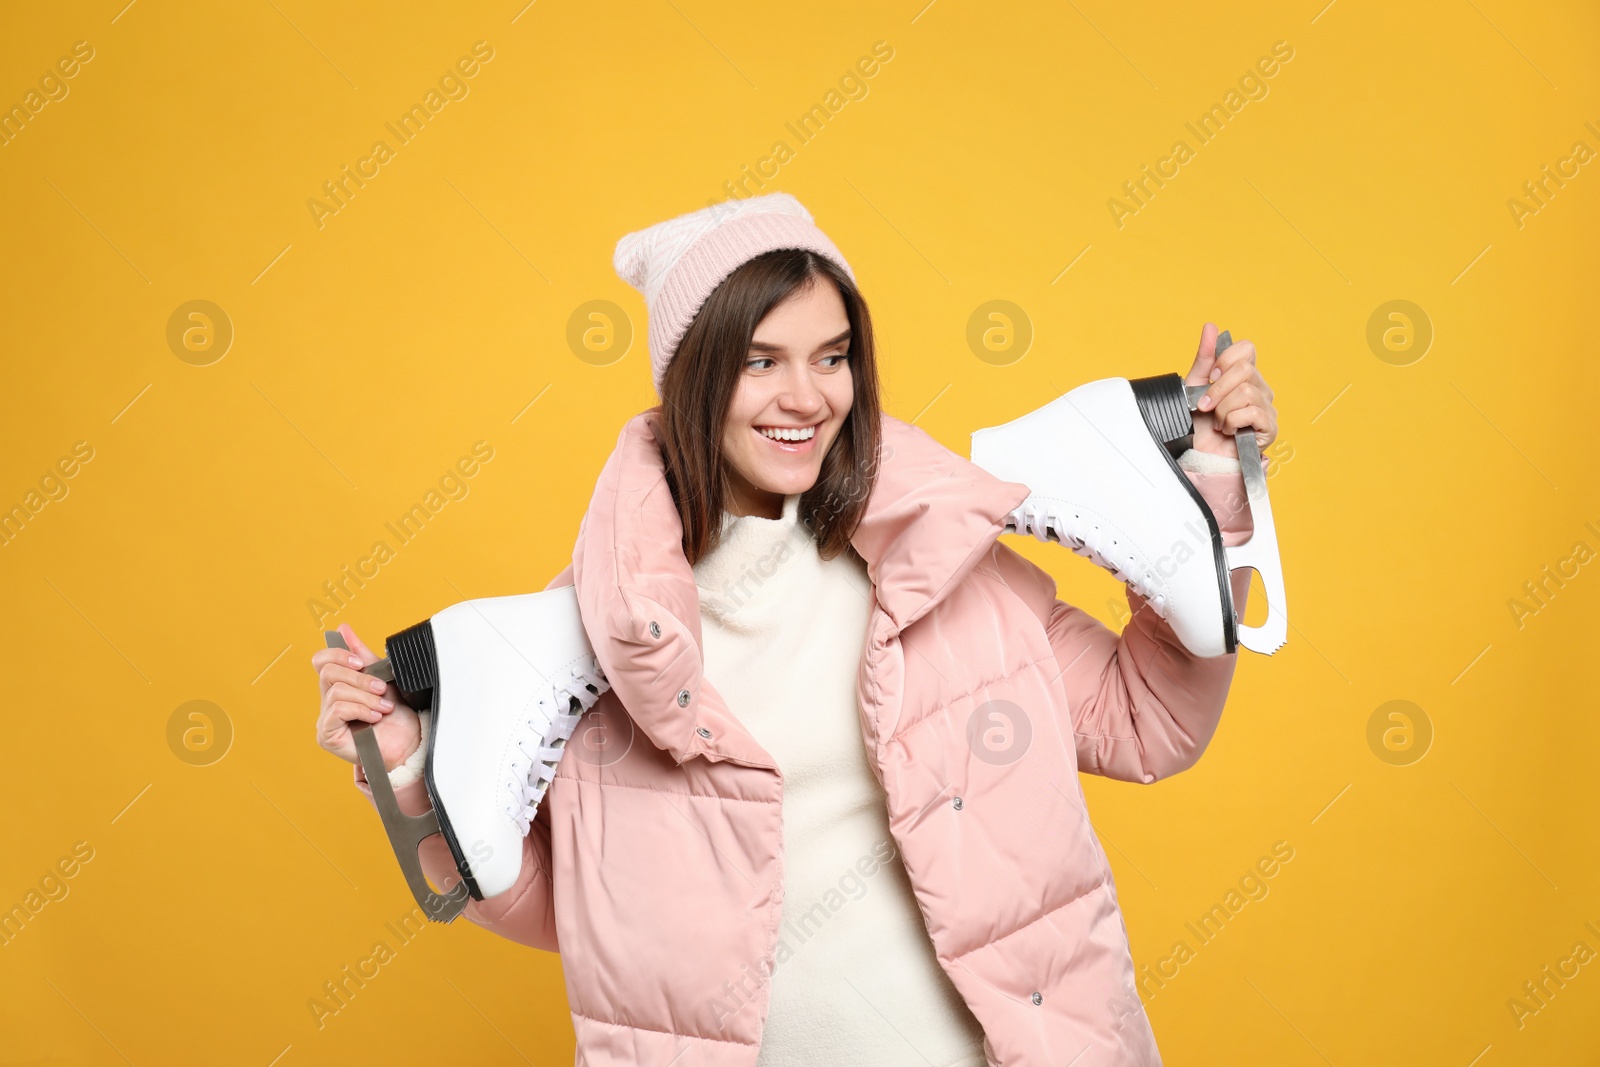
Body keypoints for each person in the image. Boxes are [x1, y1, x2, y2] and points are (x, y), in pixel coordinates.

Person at [312, 192, 1278, 1066]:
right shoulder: (593, 639)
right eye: (760, 361)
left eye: (831, 356)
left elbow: (1147, 720)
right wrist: (406, 766)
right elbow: (565, 909)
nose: (807, 397)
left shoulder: (938, 562)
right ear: (691, 378)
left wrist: (1211, 495)